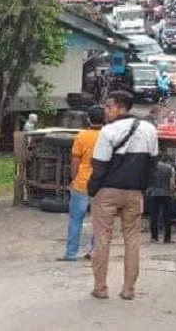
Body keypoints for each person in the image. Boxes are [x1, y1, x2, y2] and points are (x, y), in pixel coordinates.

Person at [88, 91, 159, 300]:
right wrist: (143, 189)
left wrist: (92, 191)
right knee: (132, 240)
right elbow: (152, 165)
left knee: (102, 238)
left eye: (109, 106)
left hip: (107, 191)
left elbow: (99, 166)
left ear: (121, 108)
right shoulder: (149, 129)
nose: (106, 111)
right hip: (134, 193)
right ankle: (129, 289)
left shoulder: (108, 131)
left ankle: (100, 288)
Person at [58, 105, 105, 262]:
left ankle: (71, 254)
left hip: (82, 183)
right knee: (99, 221)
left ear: (88, 119)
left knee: (76, 219)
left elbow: (75, 161)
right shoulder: (108, 137)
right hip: (102, 184)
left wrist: (73, 179)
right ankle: (93, 252)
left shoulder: (81, 136)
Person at [147, 161, 176, 244]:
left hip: (154, 193)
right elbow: (172, 183)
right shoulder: (170, 168)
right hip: (166, 194)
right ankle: (167, 238)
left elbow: (148, 181)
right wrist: (172, 192)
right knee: (167, 216)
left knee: (154, 216)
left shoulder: (151, 168)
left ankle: (154, 237)